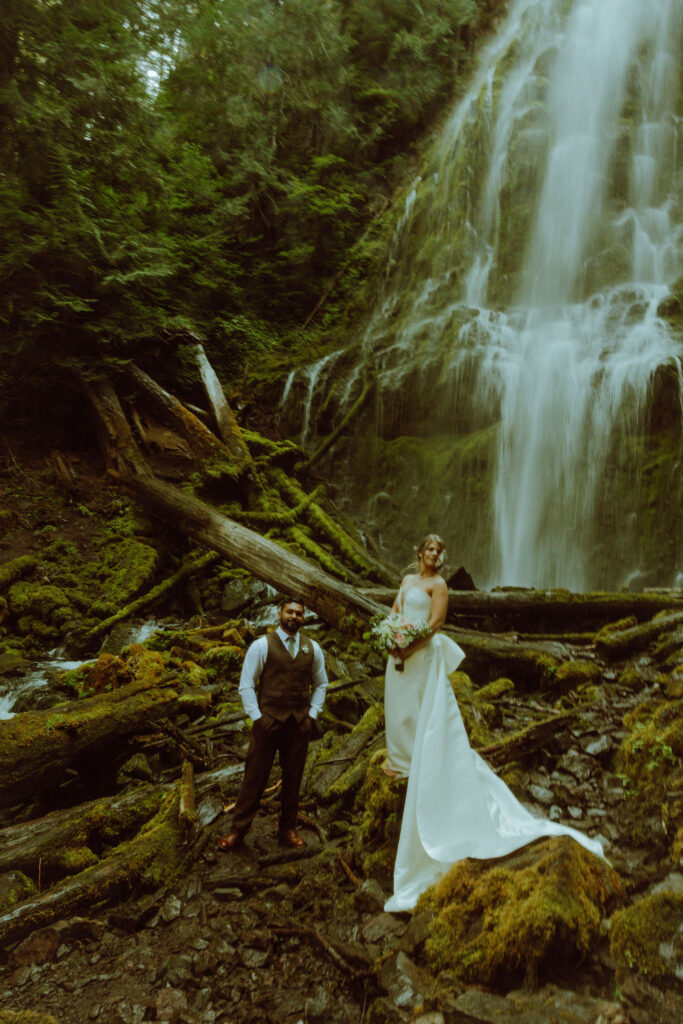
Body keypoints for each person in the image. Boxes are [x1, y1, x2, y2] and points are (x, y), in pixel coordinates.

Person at [383, 534, 605, 912]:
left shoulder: (440, 586)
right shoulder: (407, 583)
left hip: (420, 655)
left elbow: (434, 625)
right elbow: (394, 613)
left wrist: (408, 645)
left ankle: (424, 758)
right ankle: (402, 759)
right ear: (419, 552)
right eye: (430, 550)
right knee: (398, 706)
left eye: (441, 551)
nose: (436, 555)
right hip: (399, 654)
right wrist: (390, 638)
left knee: (424, 710)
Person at [218, 597, 328, 850]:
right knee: (254, 777)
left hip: (299, 724)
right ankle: (238, 830)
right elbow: (246, 684)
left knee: (293, 778)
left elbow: (321, 684)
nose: (294, 617)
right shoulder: (261, 646)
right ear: (279, 614)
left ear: (304, 618)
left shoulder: (313, 649)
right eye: (289, 612)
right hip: (267, 722)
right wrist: (257, 717)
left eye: (299, 614)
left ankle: (287, 829)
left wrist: (312, 715)